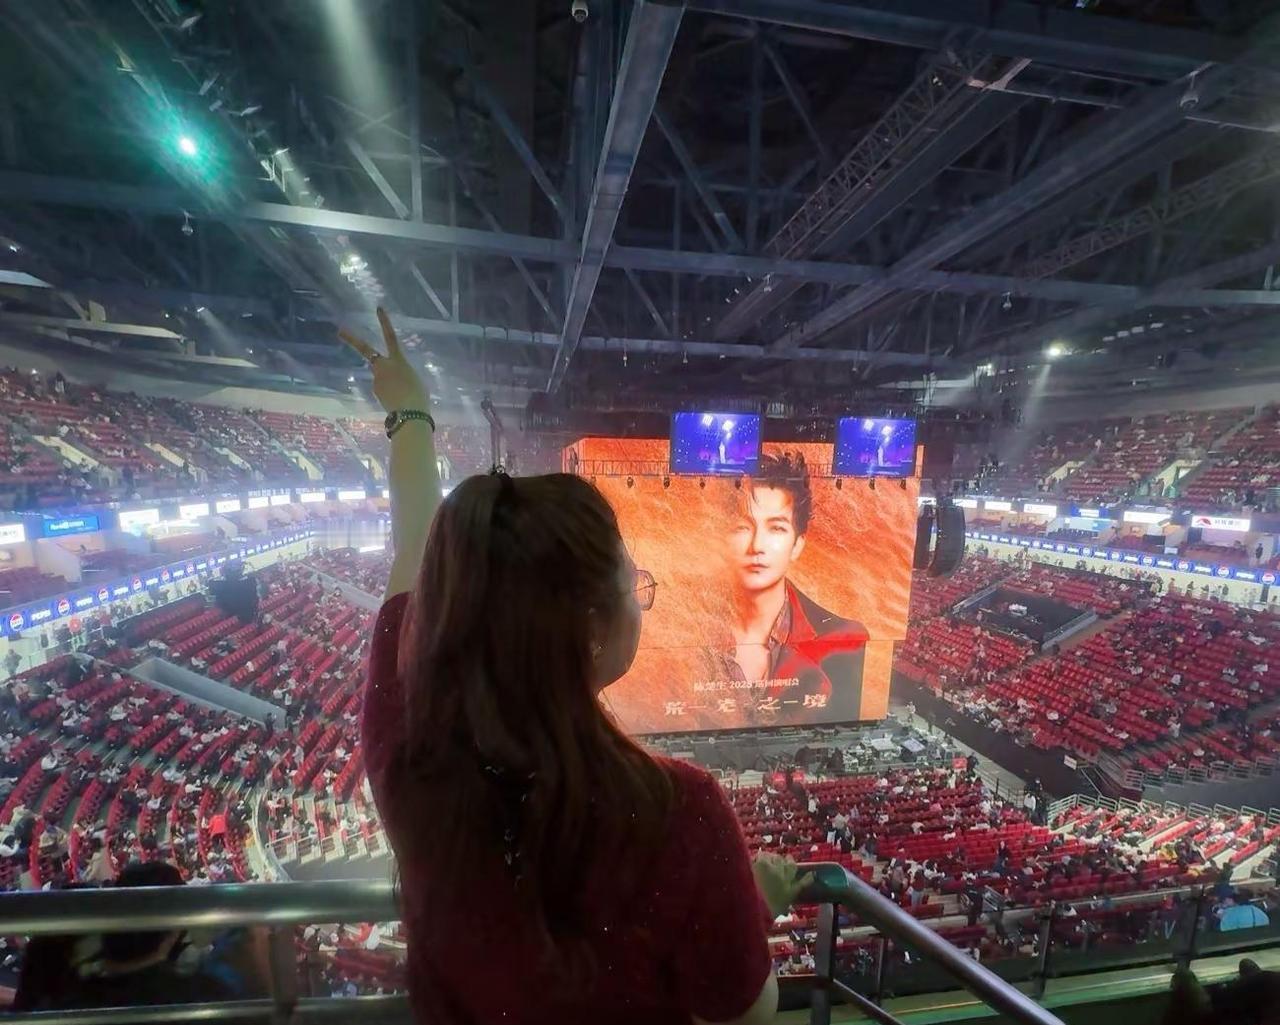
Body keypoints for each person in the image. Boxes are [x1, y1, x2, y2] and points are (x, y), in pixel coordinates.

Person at [345, 309, 807, 1025]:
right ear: (590, 628)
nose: (641, 595)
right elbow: (746, 1016)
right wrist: (754, 903)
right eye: (634, 583)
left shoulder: (413, 756)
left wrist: (409, 416)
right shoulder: (680, 812)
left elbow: (415, 558)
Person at [714, 451, 870, 722]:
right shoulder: (682, 630)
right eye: (742, 527)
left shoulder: (844, 641)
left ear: (797, 545)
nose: (757, 546)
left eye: (776, 528)